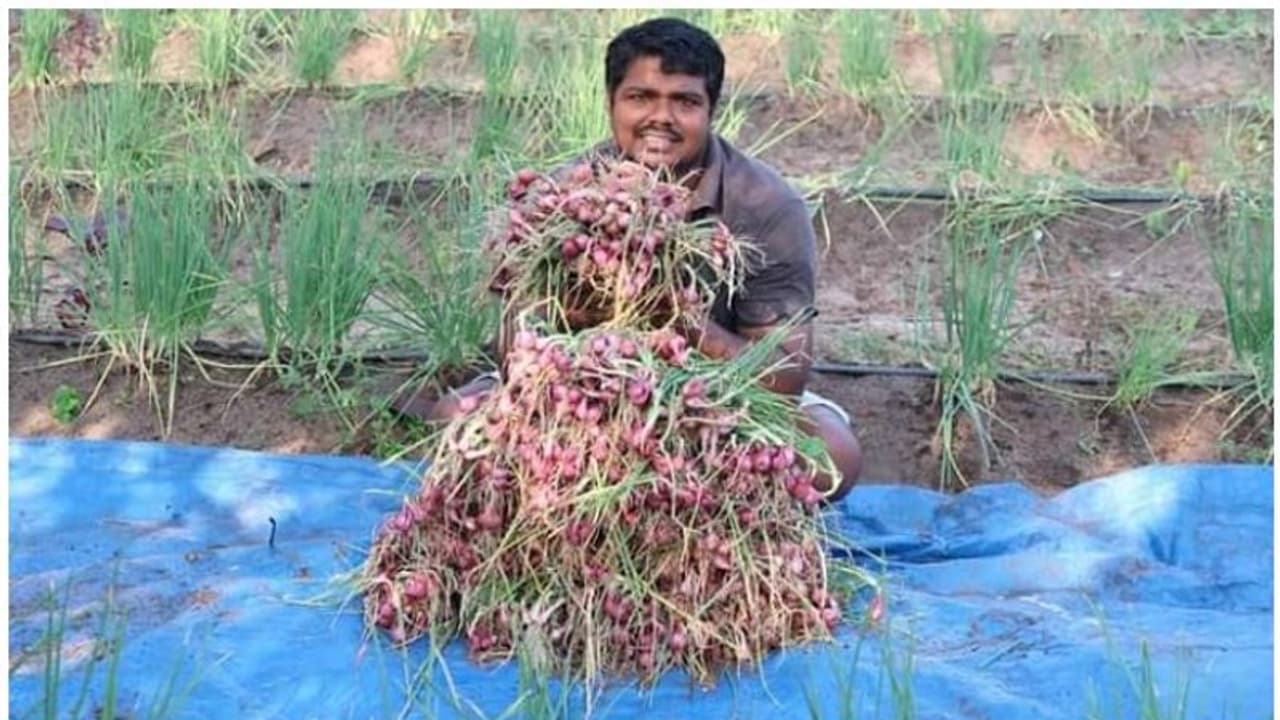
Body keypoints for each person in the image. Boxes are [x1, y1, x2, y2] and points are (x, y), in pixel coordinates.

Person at [394, 17, 863, 501]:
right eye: (640, 97)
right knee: (454, 421)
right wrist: (574, 316)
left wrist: (679, 323)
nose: (661, 117)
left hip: (718, 396)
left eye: (685, 102)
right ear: (611, 102)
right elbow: (513, 354)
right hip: (580, 389)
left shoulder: (766, 205)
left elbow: (784, 381)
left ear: (712, 111)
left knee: (832, 457)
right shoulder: (564, 200)